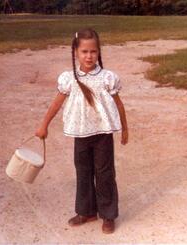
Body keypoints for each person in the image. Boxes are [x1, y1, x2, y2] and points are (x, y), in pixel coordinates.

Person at [35, 28, 128, 234]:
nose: (89, 56)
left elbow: (119, 105)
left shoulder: (107, 77)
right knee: (83, 172)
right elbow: (55, 104)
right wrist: (44, 125)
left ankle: (108, 214)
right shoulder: (69, 79)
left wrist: (125, 130)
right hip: (81, 135)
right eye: (84, 52)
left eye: (93, 52)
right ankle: (86, 211)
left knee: (105, 174)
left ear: (99, 52)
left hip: (103, 134)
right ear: (75, 52)